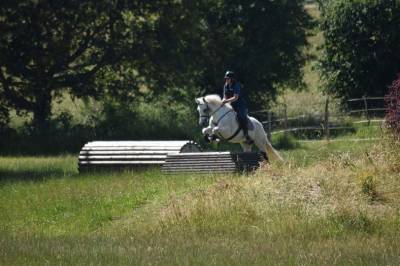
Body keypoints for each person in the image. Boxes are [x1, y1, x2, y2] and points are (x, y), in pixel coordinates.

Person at [221, 70, 253, 144]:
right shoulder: (225, 85)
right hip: (231, 104)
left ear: (232, 79)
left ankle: (246, 135)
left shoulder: (236, 85)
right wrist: (221, 103)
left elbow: (235, 98)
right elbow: (224, 97)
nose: (227, 80)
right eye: (226, 78)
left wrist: (225, 101)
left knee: (240, 116)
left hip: (240, 105)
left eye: (228, 78)